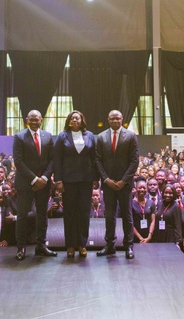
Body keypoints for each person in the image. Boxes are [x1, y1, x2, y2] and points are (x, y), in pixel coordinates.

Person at [12, 110, 57, 261]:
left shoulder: (48, 136)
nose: (34, 122)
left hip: (44, 183)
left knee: (42, 215)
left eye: (36, 119)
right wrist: (34, 179)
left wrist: (44, 178)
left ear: (41, 120)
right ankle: (21, 247)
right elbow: (18, 161)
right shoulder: (19, 137)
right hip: (26, 183)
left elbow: (52, 160)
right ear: (27, 120)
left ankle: (41, 246)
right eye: (31, 119)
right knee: (22, 216)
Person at [95, 110, 139, 260]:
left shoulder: (131, 136)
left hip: (124, 184)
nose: (115, 121)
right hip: (108, 184)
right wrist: (106, 179)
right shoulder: (101, 137)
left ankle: (129, 246)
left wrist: (123, 180)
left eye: (118, 118)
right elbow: (98, 160)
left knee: (127, 215)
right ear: (108, 119)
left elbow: (134, 161)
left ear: (122, 119)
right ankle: (110, 245)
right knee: (109, 215)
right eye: (112, 118)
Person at [54, 110, 97, 258]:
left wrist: (95, 178)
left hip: (86, 180)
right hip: (68, 181)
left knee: (84, 213)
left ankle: (82, 244)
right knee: (70, 213)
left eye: (77, 118)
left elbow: (94, 158)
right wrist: (58, 180)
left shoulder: (90, 136)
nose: (75, 120)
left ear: (82, 120)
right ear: (69, 121)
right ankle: (70, 245)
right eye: (72, 118)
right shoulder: (62, 136)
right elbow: (57, 159)